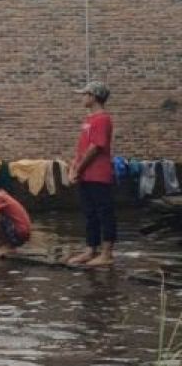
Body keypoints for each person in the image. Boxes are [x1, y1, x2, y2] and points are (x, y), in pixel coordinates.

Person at [67, 81, 117, 268]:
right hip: (85, 175)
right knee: (89, 213)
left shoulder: (103, 119)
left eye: (84, 94)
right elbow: (81, 148)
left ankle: (107, 253)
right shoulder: (88, 120)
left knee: (104, 212)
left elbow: (96, 147)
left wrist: (79, 169)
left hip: (98, 174)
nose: (82, 97)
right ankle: (90, 249)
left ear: (93, 97)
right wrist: (74, 167)